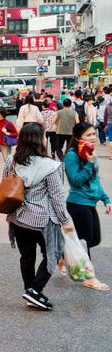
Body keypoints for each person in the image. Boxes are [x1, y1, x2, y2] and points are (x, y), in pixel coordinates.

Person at [5, 123, 74, 310]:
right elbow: (57, 196)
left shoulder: (12, 161)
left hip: (18, 218)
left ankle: (30, 293)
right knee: (53, 253)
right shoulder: (51, 166)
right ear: (41, 140)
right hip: (43, 220)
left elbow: (6, 183)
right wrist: (66, 220)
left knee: (27, 256)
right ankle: (35, 291)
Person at [63, 122, 111, 291]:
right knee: (85, 242)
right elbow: (76, 180)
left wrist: (106, 199)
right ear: (77, 137)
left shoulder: (90, 151)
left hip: (90, 203)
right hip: (78, 203)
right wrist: (89, 163)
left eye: (94, 134)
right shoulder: (71, 155)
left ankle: (62, 256)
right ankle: (89, 278)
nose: (93, 137)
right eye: (88, 135)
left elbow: (95, 180)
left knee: (95, 239)